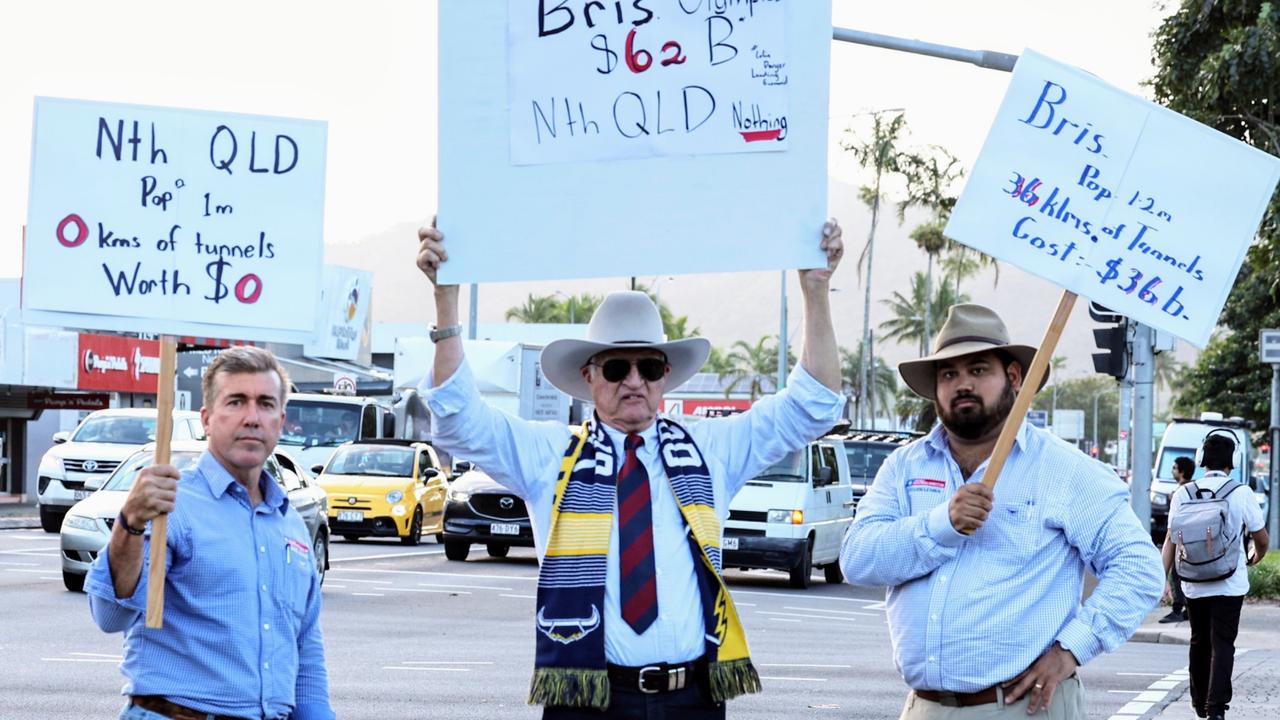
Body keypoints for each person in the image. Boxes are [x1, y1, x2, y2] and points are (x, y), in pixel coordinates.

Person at [415, 218, 846, 718]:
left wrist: (816, 290)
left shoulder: (711, 449)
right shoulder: (548, 455)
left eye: (649, 367)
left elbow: (814, 405)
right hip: (589, 700)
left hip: (694, 699)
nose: (634, 381)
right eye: (617, 368)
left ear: (666, 376)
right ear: (590, 377)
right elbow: (457, 418)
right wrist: (446, 306)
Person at [840, 303, 1163, 720]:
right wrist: (943, 525)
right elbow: (858, 560)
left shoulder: (1064, 470)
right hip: (925, 707)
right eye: (949, 374)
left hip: (1022, 707)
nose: (962, 385)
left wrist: (1072, 649)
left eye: (978, 370)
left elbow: (1139, 568)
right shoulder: (905, 466)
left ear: (1013, 378)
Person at [84, 346, 335, 720]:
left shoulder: (289, 522)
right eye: (236, 402)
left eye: (265, 404)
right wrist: (131, 522)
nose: (252, 417)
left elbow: (305, 646)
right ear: (206, 418)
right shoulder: (172, 507)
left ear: (280, 420)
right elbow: (109, 615)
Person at [1161, 432, 1269, 720]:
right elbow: (1261, 537)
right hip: (1230, 582)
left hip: (1193, 582)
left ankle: (1199, 701)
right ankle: (1216, 708)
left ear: (1201, 461)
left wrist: (1163, 579)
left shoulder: (1183, 493)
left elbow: (1172, 538)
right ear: (1232, 462)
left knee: (1199, 640)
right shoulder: (1240, 492)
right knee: (1223, 643)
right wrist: (1257, 555)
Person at [1159, 455, 1196, 623]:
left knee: (1176, 574)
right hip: (1194, 539)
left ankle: (1177, 608)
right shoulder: (1195, 489)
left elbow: (1172, 526)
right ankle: (1188, 609)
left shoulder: (1180, 492)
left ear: (1181, 471)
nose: (1172, 471)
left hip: (1179, 539)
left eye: (1174, 468)